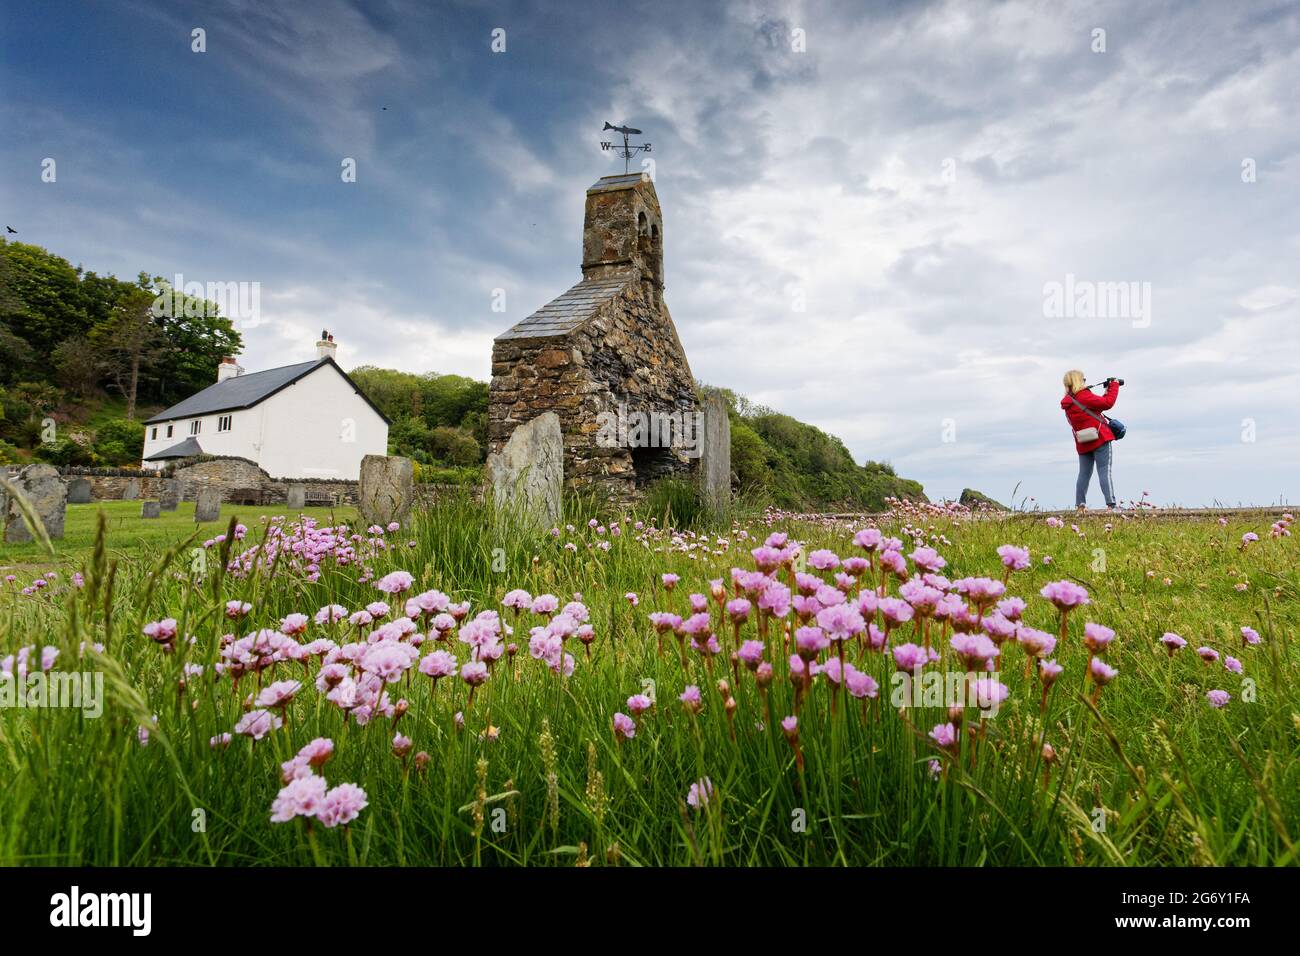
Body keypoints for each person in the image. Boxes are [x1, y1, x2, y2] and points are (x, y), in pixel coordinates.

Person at [1060, 370, 1121, 511]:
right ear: (1078, 381)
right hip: (1100, 438)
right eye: (1084, 379)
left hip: (1083, 441)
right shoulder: (1084, 396)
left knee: (1084, 474)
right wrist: (1114, 385)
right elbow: (1107, 403)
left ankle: (1080, 506)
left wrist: (1107, 389)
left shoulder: (1067, 403)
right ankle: (1111, 505)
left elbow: (1094, 407)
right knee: (1104, 471)